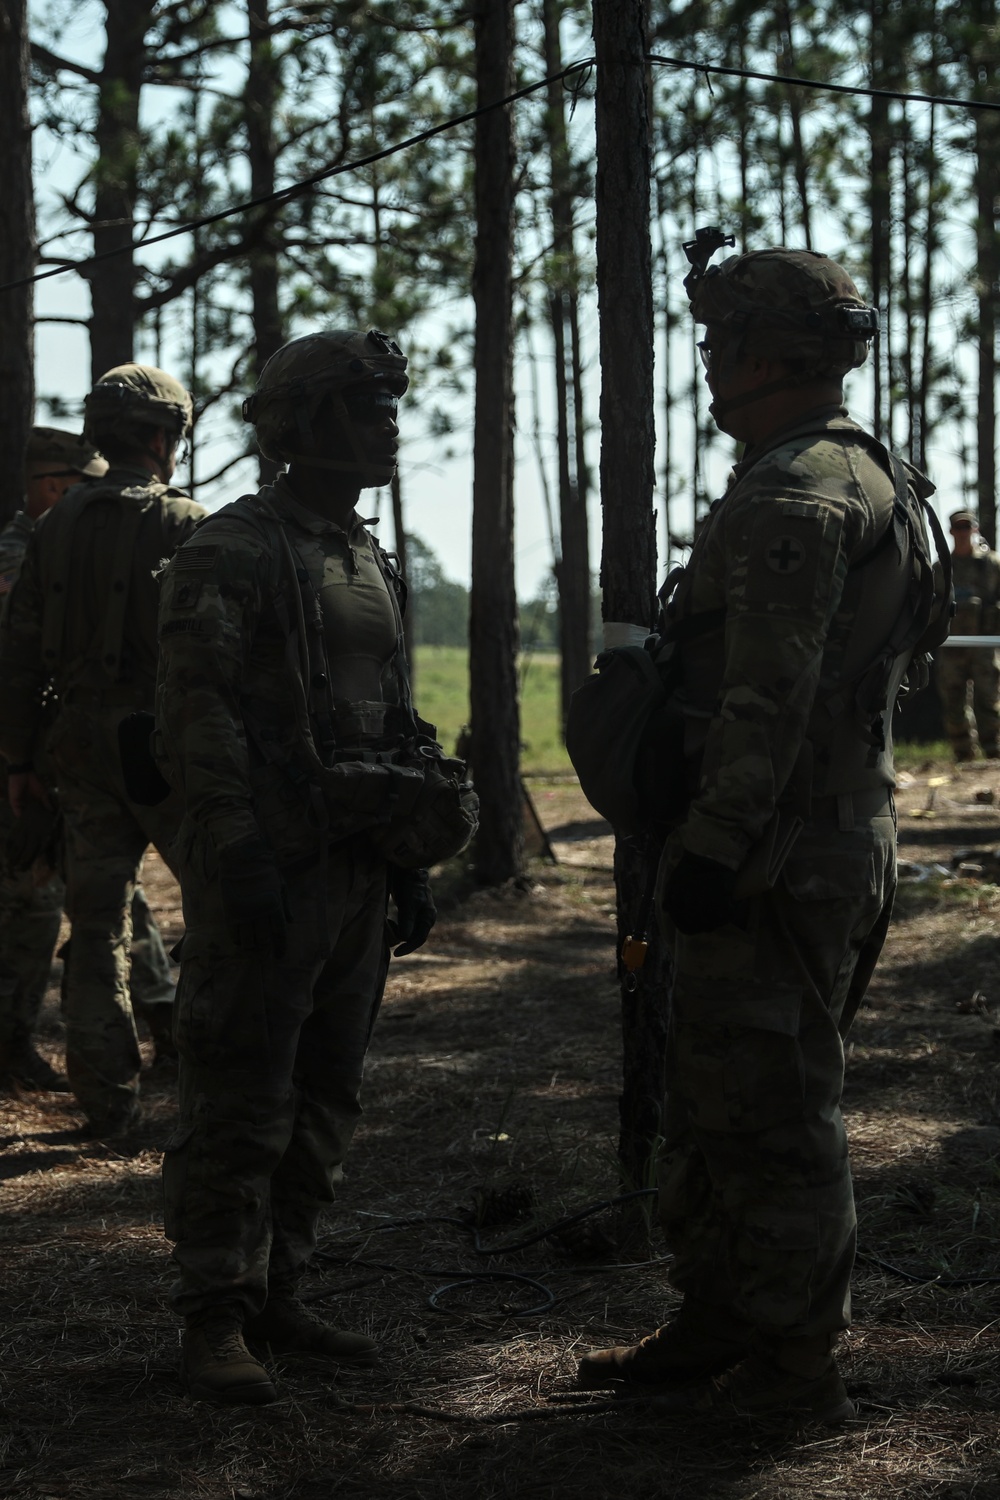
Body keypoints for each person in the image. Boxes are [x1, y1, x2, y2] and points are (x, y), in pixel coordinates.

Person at [577, 241, 948, 1424]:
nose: (707, 363)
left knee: (779, 1109)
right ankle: (726, 1312)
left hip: (777, 843)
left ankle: (797, 1370)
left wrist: (718, 841)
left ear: (762, 352)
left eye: (718, 342)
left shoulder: (799, 488)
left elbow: (768, 695)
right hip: (800, 834)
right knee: (722, 1092)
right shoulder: (845, 470)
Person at [156, 329, 471, 1407]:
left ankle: (279, 1287)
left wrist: (410, 863)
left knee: (325, 1094)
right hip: (271, 866)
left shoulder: (366, 554)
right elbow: (193, 714)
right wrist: (233, 849)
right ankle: (214, 1317)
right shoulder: (235, 548)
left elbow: (386, 711)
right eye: (365, 405)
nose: (389, 423)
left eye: (390, 404)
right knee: (240, 1096)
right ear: (306, 422)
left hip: (355, 868)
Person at [0, 370, 205, 1133]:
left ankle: (106, 1102)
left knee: (96, 923)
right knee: (220, 912)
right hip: (167, 745)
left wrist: (20, 762)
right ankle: (216, 1082)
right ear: (160, 437)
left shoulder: (53, 526)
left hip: (75, 748)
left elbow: (18, 655)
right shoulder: (188, 522)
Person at [934, 509, 1000, 760]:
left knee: (989, 698)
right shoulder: (941, 568)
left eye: (967, 527)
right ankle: (963, 753)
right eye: (958, 528)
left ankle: (993, 749)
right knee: (953, 700)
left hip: (984, 643)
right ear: (951, 531)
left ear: (975, 529)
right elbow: (930, 605)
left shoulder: (992, 565)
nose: (962, 533)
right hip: (952, 645)